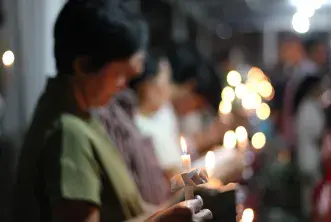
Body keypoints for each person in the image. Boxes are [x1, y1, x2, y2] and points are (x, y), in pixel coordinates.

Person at [11, 1, 211, 222]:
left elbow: (131, 207)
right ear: (84, 65)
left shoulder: (84, 116)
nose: (124, 86)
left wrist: (177, 205)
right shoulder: (67, 132)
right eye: (120, 75)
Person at [294, 75, 325, 220]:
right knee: (312, 193)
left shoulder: (308, 106)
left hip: (308, 156)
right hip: (310, 158)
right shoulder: (308, 107)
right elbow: (316, 132)